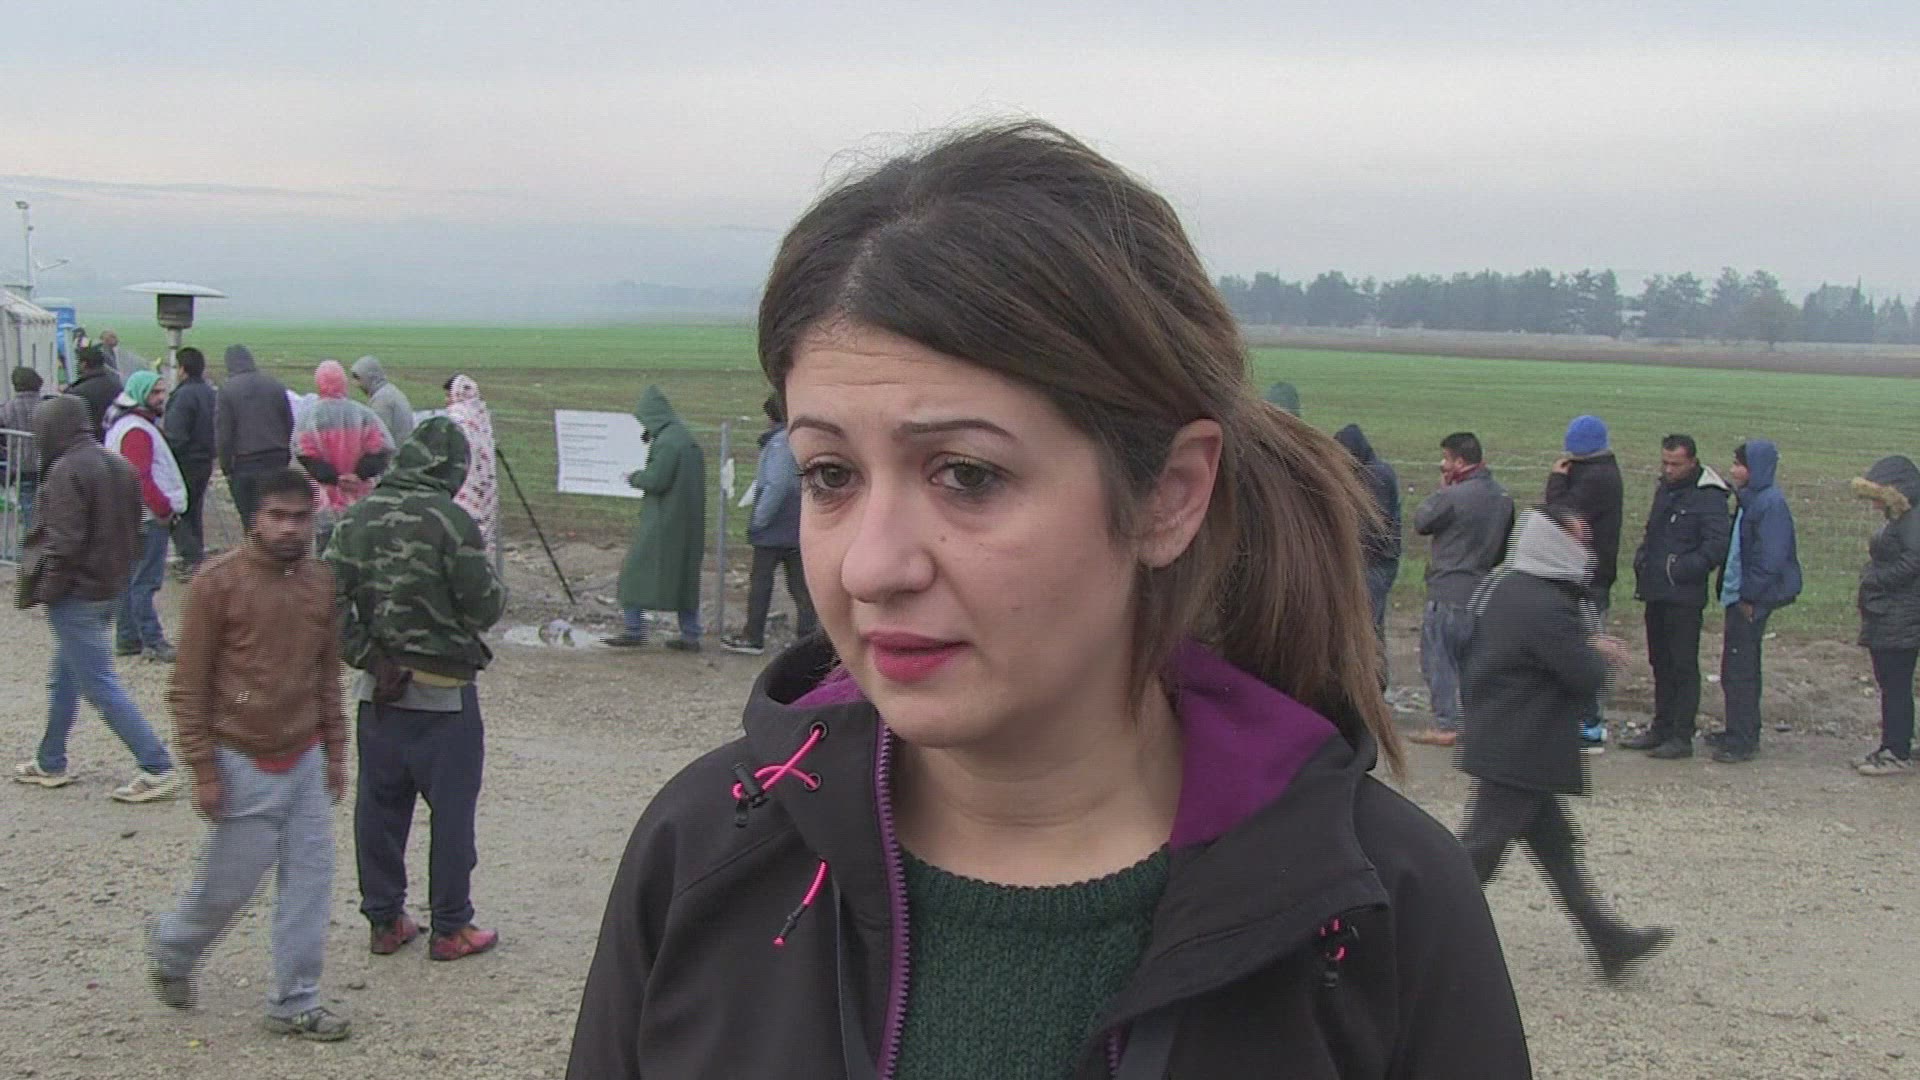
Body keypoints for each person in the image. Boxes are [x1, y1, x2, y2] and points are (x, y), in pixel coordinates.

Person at [567, 121, 1527, 1079]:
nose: (871, 567)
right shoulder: (705, 853)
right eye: (830, 475)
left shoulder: (1375, 912)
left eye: (967, 474)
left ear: (1168, 495)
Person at [147, 467, 352, 1042]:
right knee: (228, 887)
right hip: (240, 758)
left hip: (306, 756)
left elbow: (326, 675)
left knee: (310, 885)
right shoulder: (217, 585)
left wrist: (336, 752)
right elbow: (188, 686)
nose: (290, 528)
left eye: (301, 517)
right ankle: (173, 949)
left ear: (314, 520)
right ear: (253, 520)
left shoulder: (320, 583)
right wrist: (203, 770)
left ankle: (295, 1001)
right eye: (277, 516)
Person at [1458, 506, 1673, 979]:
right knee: (1477, 854)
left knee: (1556, 849)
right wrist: (1594, 648)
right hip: (1520, 746)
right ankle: (1406, 937)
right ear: (1552, 540)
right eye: (1577, 537)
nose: (1585, 547)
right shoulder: (1545, 604)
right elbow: (1586, 676)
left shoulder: (1512, 587)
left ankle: (1609, 942)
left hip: (1511, 739)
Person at [327, 418, 506, 962]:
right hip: (444, 696)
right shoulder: (451, 522)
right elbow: (484, 606)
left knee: (378, 812)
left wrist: (368, 655)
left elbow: (325, 603)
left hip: (378, 694)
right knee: (451, 816)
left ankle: (385, 921)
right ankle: (451, 926)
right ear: (453, 469)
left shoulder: (355, 519)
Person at [11, 395, 183, 802]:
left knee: (98, 684)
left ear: (51, 429)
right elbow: (136, 529)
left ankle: (157, 766)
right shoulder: (118, 464)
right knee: (66, 677)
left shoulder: (64, 472)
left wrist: (48, 590)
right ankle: (50, 760)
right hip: (110, 587)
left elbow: (64, 544)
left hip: (77, 592)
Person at [1624, 435, 1731, 759]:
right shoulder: (1666, 489)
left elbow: (1716, 546)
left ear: (1692, 462)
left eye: (1676, 464)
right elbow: (1654, 532)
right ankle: (1661, 727)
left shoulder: (1709, 497)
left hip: (1684, 595)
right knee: (1660, 661)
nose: (1669, 469)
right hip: (1656, 589)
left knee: (1682, 664)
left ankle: (1681, 735)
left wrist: (1681, 569)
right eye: (1665, 463)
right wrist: (1644, 559)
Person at [1410, 432, 1514, 747]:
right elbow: (1503, 548)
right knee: (1473, 661)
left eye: (1446, 458)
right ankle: (1477, 721)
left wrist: (1442, 490)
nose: (1442, 465)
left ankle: (1447, 725)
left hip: (1448, 588)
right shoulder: (1503, 497)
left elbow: (1421, 521)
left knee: (1439, 659)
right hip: (1482, 590)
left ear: (1459, 461)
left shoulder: (1454, 496)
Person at [1712, 439, 1801, 764]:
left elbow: (1770, 558)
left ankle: (1743, 739)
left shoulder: (1769, 504)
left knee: (1741, 669)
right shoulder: (1751, 500)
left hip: (1750, 600)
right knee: (1735, 666)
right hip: (1740, 596)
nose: (1733, 470)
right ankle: (1737, 729)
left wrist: (1749, 596)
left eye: (1739, 464)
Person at [606, 386, 706, 651]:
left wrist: (634, 477)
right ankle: (690, 635)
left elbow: (657, 480)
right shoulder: (684, 437)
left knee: (634, 574)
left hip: (662, 522)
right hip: (688, 522)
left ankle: (633, 630)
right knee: (685, 580)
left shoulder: (667, 442)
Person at [1546, 415, 1624, 750]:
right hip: (1584, 576)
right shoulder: (1596, 473)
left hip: (1588, 579)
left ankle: (1590, 723)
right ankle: (1578, 717)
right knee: (1579, 644)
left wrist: (1556, 480)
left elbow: (1559, 514)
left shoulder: (1597, 478)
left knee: (1586, 645)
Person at [720, 395, 815, 656]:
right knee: (801, 585)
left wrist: (759, 520)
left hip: (775, 527)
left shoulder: (779, 443)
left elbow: (777, 485)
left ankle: (753, 636)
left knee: (761, 583)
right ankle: (809, 641)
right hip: (797, 524)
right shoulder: (800, 438)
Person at [104, 371, 187, 663]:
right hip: (146, 517)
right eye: (155, 392)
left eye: (163, 391)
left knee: (130, 579)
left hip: (131, 514)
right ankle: (152, 639)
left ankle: (128, 637)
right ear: (140, 394)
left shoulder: (126, 425)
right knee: (144, 581)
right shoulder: (137, 431)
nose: (161, 398)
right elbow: (140, 477)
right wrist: (163, 509)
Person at [1849, 456, 1920, 776]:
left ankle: (1895, 751)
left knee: (1895, 684)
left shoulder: (1912, 521)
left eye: (1878, 496)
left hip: (1899, 615)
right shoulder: (1905, 518)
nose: (1874, 504)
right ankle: (1894, 745)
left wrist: (1874, 578)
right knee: (1895, 684)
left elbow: (1913, 562)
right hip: (1895, 613)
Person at [293, 360, 395, 554]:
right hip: (360, 495)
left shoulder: (309, 418)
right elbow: (381, 449)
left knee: (327, 549)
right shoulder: (363, 414)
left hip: (326, 497)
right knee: (360, 547)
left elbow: (305, 455)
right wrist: (359, 475)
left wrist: (333, 478)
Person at [1334, 423, 1401, 681]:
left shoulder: (1375, 477)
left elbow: (1370, 528)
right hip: (1375, 562)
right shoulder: (1375, 472)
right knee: (1368, 622)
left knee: (1366, 624)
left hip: (1374, 564)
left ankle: (1370, 681)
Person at [216, 345, 295, 531]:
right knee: (277, 516)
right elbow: (289, 422)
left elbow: (224, 434)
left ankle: (258, 549)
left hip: (246, 464)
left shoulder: (227, 390)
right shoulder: (275, 384)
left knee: (252, 521)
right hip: (277, 460)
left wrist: (226, 467)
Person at [163, 346, 219, 573]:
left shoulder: (183, 395)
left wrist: (167, 455)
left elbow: (176, 434)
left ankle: (190, 558)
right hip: (205, 459)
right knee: (194, 509)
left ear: (182, 369)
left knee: (177, 511)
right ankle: (195, 555)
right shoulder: (209, 392)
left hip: (185, 460)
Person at [444, 374, 498, 560]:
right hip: (483, 483)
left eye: (448, 395)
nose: (446, 400)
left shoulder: (456, 417)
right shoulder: (480, 414)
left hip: (463, 483)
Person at [0, 366, 54, 530]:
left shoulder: (6, 410)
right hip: (48, 465)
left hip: (21, 467)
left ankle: (34, 540)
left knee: (29, 508)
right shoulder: (49, 406)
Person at [350, 355, 414, 445]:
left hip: (396, 451)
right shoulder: (389, 390)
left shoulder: (382, 400)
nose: (357, 384)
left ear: (369, 377)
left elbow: (379, 437)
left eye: (359, 379)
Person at [66, 345, 122, 439]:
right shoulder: (117, 387)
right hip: (113, 440)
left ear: (84, 364)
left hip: (87, 442)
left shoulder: (77, 392)